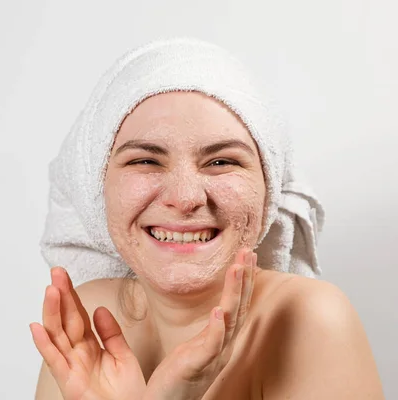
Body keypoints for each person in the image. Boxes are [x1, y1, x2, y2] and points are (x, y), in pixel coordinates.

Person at [30, 38, 384, 399]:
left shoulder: (309, 320)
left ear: (269, 191)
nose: (185, 198)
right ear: (97, 186)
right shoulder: (89, 318)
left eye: (221, 162)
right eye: (146, 161)